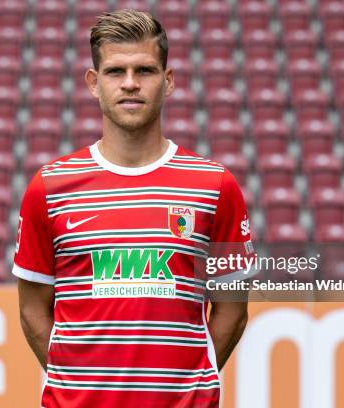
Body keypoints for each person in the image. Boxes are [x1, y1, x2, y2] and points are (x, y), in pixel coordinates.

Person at [13, 9, 254, 407]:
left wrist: (188, 385)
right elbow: (31, 311)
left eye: (144, 70)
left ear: (168, 80)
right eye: (115, 72)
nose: (129, 84)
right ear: (94, 83)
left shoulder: (215, 185)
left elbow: (233, 311)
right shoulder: (50, 187)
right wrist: (79, 386)